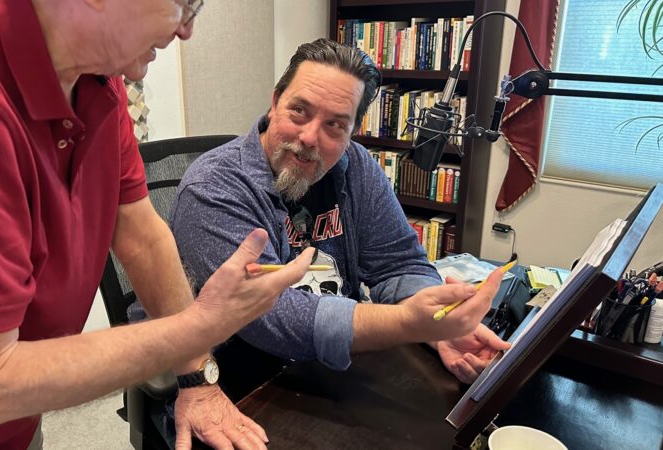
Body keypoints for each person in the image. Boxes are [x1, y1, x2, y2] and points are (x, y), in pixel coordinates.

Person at [0, 1, 313, 449]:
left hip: (14, 420)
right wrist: (198, 326)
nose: (186, 30)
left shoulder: (96, 76)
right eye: (185, 3)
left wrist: (197, 378)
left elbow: (140, 234)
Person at [167, 38, 510, 396]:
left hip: (331, 369)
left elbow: (399, 263)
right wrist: (408, 324)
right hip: (232, 381)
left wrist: (439, 322)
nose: (309, 137)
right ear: (274, 102)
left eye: (335, 125)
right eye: (299, 110)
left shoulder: (358, 167)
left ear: (352, 133)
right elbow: (268, 318)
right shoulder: (213, 188)